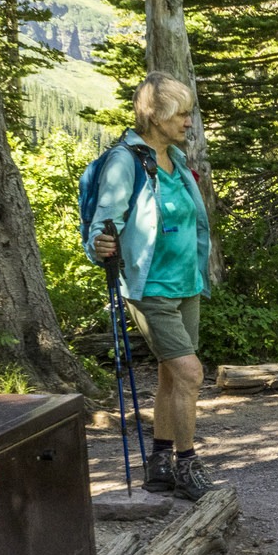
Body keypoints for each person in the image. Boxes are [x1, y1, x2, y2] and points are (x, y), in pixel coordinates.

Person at [86, 72, 215, 501]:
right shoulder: (126, 160)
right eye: (181, 113)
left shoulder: (174, 160)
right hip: (150, 286)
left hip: (186, 284)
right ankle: (186, 463)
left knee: (169, 377)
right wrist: (99, 244)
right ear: (156, 116)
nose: (188, 122)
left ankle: (159, 464)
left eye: (189, 113)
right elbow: (105, 221)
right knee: (190, 374)